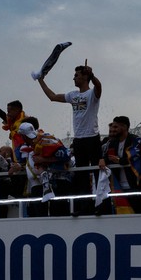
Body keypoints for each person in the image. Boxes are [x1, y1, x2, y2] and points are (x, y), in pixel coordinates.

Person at [38, 64, 102, 215]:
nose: (74, 77)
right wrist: (41, 80)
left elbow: (99, 86)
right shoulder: (73, 95)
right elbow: (52, 97)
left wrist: (92, 75)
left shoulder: (92, 94)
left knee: (98, 172)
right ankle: (85, 207)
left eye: (77, 75)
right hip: (78, 140)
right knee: (81, 175)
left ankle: (101, 205)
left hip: (92, 137)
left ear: (85, 77)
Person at [11, 117, 72, 217]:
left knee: (59, 215)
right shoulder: (32, 145)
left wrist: (44, 160)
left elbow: (67, 155)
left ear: (22, 136)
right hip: (47, 184)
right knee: (46, 215)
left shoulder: (45, 141)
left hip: (58, 183)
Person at [98, 115, 141, 214]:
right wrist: (103, 160)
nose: (113, 130)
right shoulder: (112, 143)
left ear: (124, 127)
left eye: (115, 127)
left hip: (136, 186)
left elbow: (136, 157)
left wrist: (119, 161)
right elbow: (108, 157)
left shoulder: (136, 140)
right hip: (119, 188)